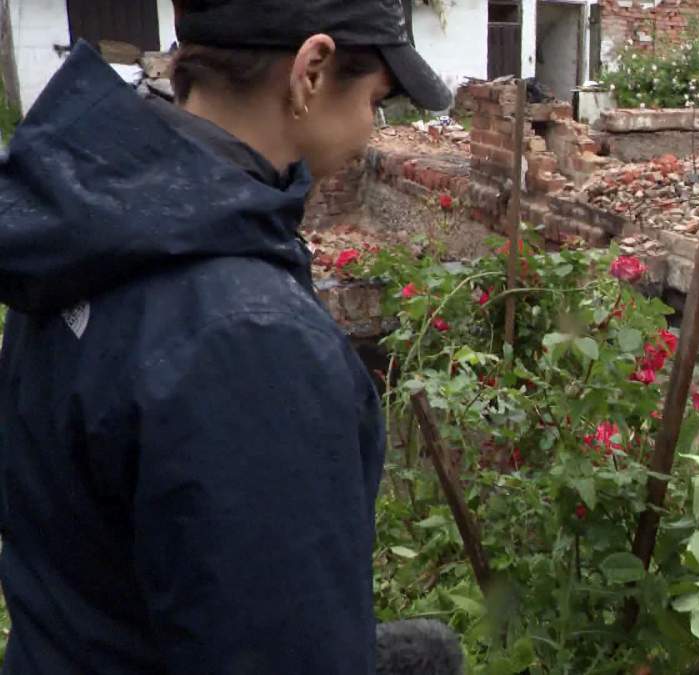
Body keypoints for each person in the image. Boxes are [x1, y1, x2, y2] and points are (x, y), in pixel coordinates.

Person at [0, 1, 453, 672]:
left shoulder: (89, 223)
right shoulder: (249, 340)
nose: (371, 129)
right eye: (377, 100)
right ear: (311, 70)